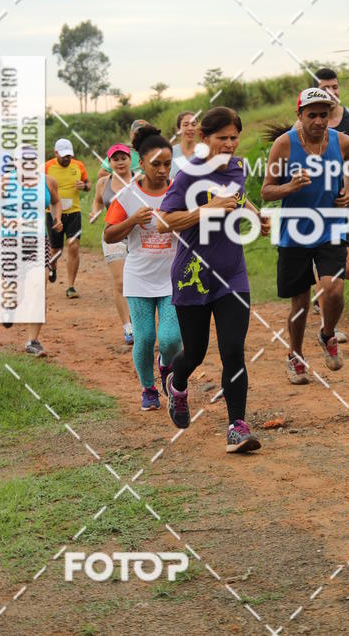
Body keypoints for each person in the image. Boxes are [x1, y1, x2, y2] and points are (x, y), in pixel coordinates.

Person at [157, 106, 269, 453]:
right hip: (194, 275)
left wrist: (255, 215)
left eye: (235, 137)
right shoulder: (189, 175)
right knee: (195, 352)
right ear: (204, 139)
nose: (230, 144)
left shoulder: (238, 167)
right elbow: (164, 220)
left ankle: (237, 426)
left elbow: (236, 196)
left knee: (233, 350)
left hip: (232, 274)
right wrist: (207, 210)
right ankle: (176, 380)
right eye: (222, 138)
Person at [261, 88, 349, 385]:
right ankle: (295, 355)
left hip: (330, 225)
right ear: (299, 115)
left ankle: (327, 334)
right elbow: (266, 190)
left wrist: (348, 190)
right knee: (300, 303)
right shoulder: (284, 145)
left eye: (323, 115)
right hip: (294, 232)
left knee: (335, 290)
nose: (318, 121)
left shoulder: (342, 141)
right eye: (311, 115)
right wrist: (289, 187)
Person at [103, 125, 182, 411]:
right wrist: (132, 220)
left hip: (173, 276)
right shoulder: (127, 196)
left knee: (171, 339)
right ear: (142, 163)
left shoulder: (179, 191)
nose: (163, 170)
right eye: (156, 164)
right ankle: (148, 388)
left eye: (167, 164)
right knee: (145, 336)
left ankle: (166, 364)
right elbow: (108, 235)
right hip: (138, 277)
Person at [0, 164, 63, 355]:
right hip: (10, 241)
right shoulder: (5, 182)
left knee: (39, 288)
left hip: (38, 240)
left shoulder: (47, 181)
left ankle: (33, 341)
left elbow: (56, 202)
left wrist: (56, 218)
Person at [313, 67, 349, 342]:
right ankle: (327, 326)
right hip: (318, 206)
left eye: (334, 87)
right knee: (330, 268)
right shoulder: (309, 123)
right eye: (325, 88)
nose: (331, 92)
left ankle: (321, 292)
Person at [89, 144, 135, 345]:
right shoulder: (102, 182)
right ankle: (128, 327)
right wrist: (95, 211)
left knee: (136, 281)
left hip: (137, 236)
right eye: (115, 159)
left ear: (130, 158)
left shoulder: (140, 180)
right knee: (120, 282)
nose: (120, 162)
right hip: (113, 236)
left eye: (123, 157)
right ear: (109, 162)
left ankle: (139, 321)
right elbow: (98, 201)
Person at [45, 138, 90, 298]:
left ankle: (71, 286)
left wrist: (83, 186)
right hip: (52, 213)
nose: (67, 158)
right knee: (55, 249)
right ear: (56, 153)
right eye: (64, 155)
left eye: (69, 155)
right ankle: (52, 266)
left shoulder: (78, 165)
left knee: (74, 246)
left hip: (74, 212)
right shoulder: (47, 167)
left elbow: (88, 184)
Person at [170, 110, 199, 178]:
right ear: (178, 129)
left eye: (193, 125)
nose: (190, 128)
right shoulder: (170, 153)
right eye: (185, 125)